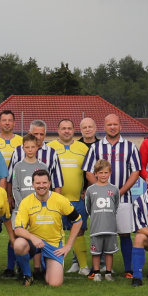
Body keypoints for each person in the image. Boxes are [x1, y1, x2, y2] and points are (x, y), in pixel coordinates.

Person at [81, 114, 142, 280]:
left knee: (124, 233)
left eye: (115, 124)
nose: (113, 127)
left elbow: (136, 172)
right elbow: (88, 172)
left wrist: (119, 191)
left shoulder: (130, 147)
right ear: (104, 127)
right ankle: (98, 270)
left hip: (123, 199)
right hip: (101, 202)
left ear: (120, 126)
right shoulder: (96, 148)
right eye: (109, 125)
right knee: (100, 233)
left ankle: (128, 268)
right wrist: (101, 191)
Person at [11, 169, 83, 286]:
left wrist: (68, 246)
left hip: (53, 244)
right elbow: (18, 229)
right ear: (33, 184)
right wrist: (33, 238)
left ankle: (46, 266)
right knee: (19, 244)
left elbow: (78, 220)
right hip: (34, 243)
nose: (41, 186)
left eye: (44, 183)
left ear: (49, 183)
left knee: (55, 283)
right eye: (38, 183)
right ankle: (27, 275)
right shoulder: (26, 202)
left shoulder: (60, 200)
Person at [50, 118, 92, 275]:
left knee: (79, 231)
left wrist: (87, 189)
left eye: (69, 128)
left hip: (77, 199)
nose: (66, 131)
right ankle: (54, 265)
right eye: (63, 128)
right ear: (58, 130)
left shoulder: (83, 148)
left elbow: (90, 172)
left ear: (74, 130)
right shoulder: (50, 147)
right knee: (54, 232)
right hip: (55, 199)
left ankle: (82, 266)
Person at [4, 135, 49, 278]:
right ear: (23, 148)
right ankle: (21, 268)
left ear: (37, 147)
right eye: (27, 147)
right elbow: (15, 188)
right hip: (21, 210)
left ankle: (38, 268)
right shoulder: (18, 166)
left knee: (37, 237)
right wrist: (23, 205)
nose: (30, 150)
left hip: (38, 210)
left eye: (33, 147)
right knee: (19, 239)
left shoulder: (43, 166)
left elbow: (46, 188)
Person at [86, 161, 120, 282]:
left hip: (110, 226)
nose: (103, 175)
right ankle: (96, 273)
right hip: (96, 227)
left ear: (110, 173)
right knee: (95, 251)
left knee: (109, 251)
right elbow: (88, 208)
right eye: (100, 173)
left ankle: (108, 273)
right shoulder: (90, 190)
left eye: (106, 172)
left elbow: (116, 206)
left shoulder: (114, 189)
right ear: (95, 173)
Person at [8, 120, 63, 192]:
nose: (38, 137)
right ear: (29, 133)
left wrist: (56, 201)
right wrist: (9, 197)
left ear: (45, 134)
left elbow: (57, 181)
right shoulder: (18, 151)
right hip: (23, 198)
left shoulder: (52, 153)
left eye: (41, 134)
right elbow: (10, 177)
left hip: (44, 199)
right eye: (35, 134)